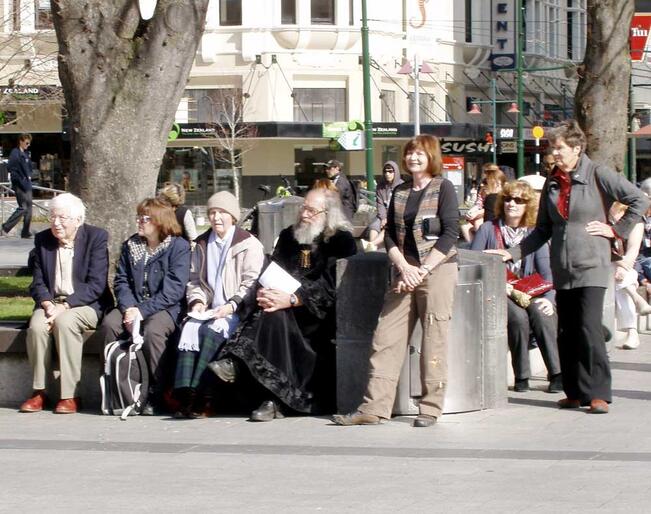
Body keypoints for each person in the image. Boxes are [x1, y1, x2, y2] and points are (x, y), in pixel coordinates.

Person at [486, 119, 649, 414]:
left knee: (588, 329)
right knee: (568, 330)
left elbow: (638, 199)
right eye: (552, 148)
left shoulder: (598, 174)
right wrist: (511, 253)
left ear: (576, 148)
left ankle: (598, 393)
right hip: (563, 268)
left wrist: (617, 230)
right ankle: (573, 391)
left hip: (592, 265)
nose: (554, 153)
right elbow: (542, 230)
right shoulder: (553, 181)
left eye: (559, 148)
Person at [333, 134, 459, 428]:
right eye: (410, 153)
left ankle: (430, 407)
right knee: (386, 336)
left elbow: (451, 232)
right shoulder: (400, 191)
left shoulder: (444, 188)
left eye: (420, 154)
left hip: (437, 269)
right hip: (405, 271)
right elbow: (389, 234)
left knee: (434, 339)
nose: (413, 158)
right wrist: (404, 266)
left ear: (431, 157)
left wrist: (422, 270)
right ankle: (373, 408)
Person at [209, 188, 357, 421]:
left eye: (311, 210)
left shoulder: (340, 241)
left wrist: (293, 299)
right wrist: (267, 292)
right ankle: (271, 400)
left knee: (274, 315)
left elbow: (333, 287)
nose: (304, 214)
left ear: (328, 214)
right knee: (270, 311)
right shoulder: (290, 236)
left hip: (316, 316)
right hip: (282, 307)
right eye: (303, 208)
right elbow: (272, 269)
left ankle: (242, 368)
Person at [172, 192, 264, 418]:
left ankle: (206, 398)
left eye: (222, 212)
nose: (216, 218)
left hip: (237, 310)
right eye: (212, 212)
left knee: (210, 334)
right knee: (190, 330)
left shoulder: (248, 243)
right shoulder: (202, 243)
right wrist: (198, 302)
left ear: (232, 216)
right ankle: (186, 396)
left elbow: (251, 282)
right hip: (210, 308)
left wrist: (232, 305)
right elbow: (195, 280)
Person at [95, 198, 190, 415]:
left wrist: (142, 311)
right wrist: (129, 307)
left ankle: (157, 390)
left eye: (145, 218)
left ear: (160, 221)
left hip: (165, 308)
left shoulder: (178, 247)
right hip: (133, 306)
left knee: (153, 331)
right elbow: (121, 281)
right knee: (110, 324)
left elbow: (174, 290)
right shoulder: (131, 246)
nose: (139, 222)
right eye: (138, 217)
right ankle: (115, 387)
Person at [20, 193, 113, 414]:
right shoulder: (43, 239)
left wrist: (65, 305)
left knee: (65, 323)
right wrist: (46, 303)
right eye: (52, 217)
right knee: (37, 327)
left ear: (78, 220)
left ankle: (70, 395)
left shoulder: (96, 237)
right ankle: (39, 391)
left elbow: (96, 285)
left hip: (86, 303)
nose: (56, 223)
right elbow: (38, 280)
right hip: (52, 303)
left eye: (62, 218)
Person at [471, 181, 562, 393]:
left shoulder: (533, 233)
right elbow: (472, 262)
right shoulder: (487, 229)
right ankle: (522, 375)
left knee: (542, 313)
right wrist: (494, 282)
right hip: (497, 291)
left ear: (527, 205)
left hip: (527, 292)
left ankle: (556, 373)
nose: (512, 204)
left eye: (519, 200)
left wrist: (549, 299)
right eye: (508, 199)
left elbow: (547, 272)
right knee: (518, 318)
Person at [609, 202, 650, 350]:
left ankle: (632, 332)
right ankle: (637, 300)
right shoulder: (600, 212)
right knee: (624, 278)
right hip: (604, 261)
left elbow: (633, 251)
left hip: (627, 265)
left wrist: (621, 266)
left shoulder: (635, 219)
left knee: (624, 278)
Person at [363, 160, 404, 250]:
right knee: (374, 226)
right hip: (383, 214)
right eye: (385, 171)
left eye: (390, 171)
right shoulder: (381, 186)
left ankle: (371, 244)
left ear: (395, 172)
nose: (387, 174)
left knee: (388, 227)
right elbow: (380, 203)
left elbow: (400, 206)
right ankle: (372, 248)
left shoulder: (402, 186)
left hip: (396, 215)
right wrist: (383, 217)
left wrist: (387, 218)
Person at [462, 163, 506, 242]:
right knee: (465, 227)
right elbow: (479, 203)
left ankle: (483, 245)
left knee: (478, 224)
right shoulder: (484, 190)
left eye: (486, 181)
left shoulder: (500, 194)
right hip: (482, 215)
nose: (483, 183)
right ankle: (473, 248)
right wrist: (472, 212)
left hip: (494, 219)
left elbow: (493, 210)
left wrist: (477, 213)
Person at [2, 133, 33, 238]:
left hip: (27, 184)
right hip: (20, 184)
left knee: (29, 209)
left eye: (29, 143)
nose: (28, 145)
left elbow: (29, 168)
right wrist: (20, 180)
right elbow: (10, 167)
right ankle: (6, 227)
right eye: (26, 143)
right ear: (21, 141)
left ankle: (25, 231)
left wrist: (29, 177)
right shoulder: (15, 153)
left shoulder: (26, 153)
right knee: (23, 207)